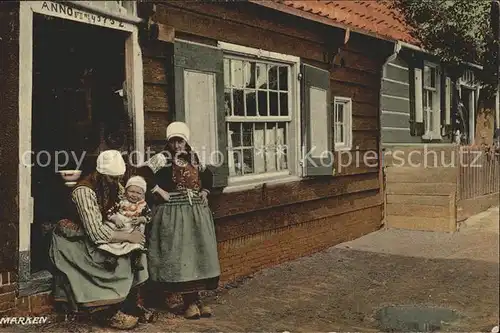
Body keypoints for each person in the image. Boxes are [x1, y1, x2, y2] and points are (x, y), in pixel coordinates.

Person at [49, 150, 155, 329]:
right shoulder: (84, 191)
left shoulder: (114, 185)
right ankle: (107, 310)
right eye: (113, 178)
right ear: (101, 174)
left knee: (134, 251)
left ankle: (129, 304)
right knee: (109, 258)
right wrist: (128, 236)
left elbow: (126, 204)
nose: (118, 182)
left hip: (102, 232)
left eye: (119, 178)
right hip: (74, 240)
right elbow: (96, 234)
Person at [138, 121, 221, 319]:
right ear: (169, 141)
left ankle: (196, 299)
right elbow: (143, 173)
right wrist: (158, 190)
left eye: (180, 141)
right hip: (172, 212)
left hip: (194, 212)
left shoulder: (192, 156)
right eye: (173, 141)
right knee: (182, 255)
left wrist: (205, 191)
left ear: (186, 140)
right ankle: (188, 302)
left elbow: (207, 174)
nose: (177, 145)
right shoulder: (163, 157)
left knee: (197, 254)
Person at [99, 175, 152, 272]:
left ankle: (136, 260)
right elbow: (109, 212)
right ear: (126, 191)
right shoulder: (120, 201)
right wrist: (115, 219)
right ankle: (111, 258)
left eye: (138, 193)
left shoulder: (143, 205)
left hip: (132, 227)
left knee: (136, 242)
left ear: (143, 194)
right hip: (119, 226)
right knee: (114, 242)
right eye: (131, 191)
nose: (134, 195)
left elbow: (149, 216)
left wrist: (141, 218)